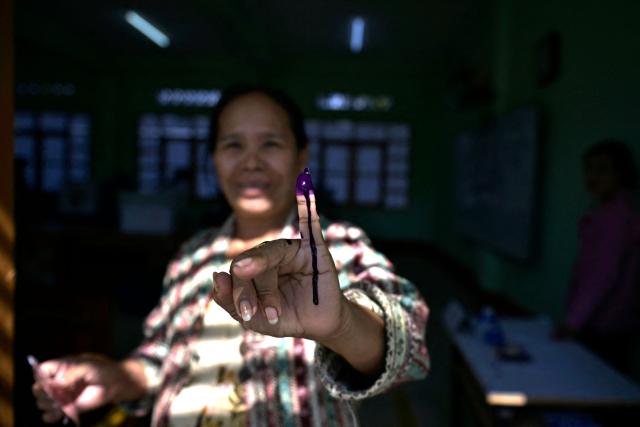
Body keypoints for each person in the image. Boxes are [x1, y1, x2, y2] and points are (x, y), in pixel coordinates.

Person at [32, 85, 430, 426]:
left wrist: (342, 324)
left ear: (300, 157)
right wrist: (117, 376)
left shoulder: (337, 246)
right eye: (233, 144)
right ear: (214, 160)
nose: (251, 162)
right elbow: (162, 357)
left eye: (271, 143)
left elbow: (407, 341)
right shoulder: (192, 254)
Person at [559, 140, 640, 373]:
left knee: (597, 380)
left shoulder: (617, 216)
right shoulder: (608, 211)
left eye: (602, 169)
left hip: (606, 322)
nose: (593, 177)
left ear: (622, 173)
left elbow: (602, 275)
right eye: (589, 169)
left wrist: (573, 321)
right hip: (607, 320)